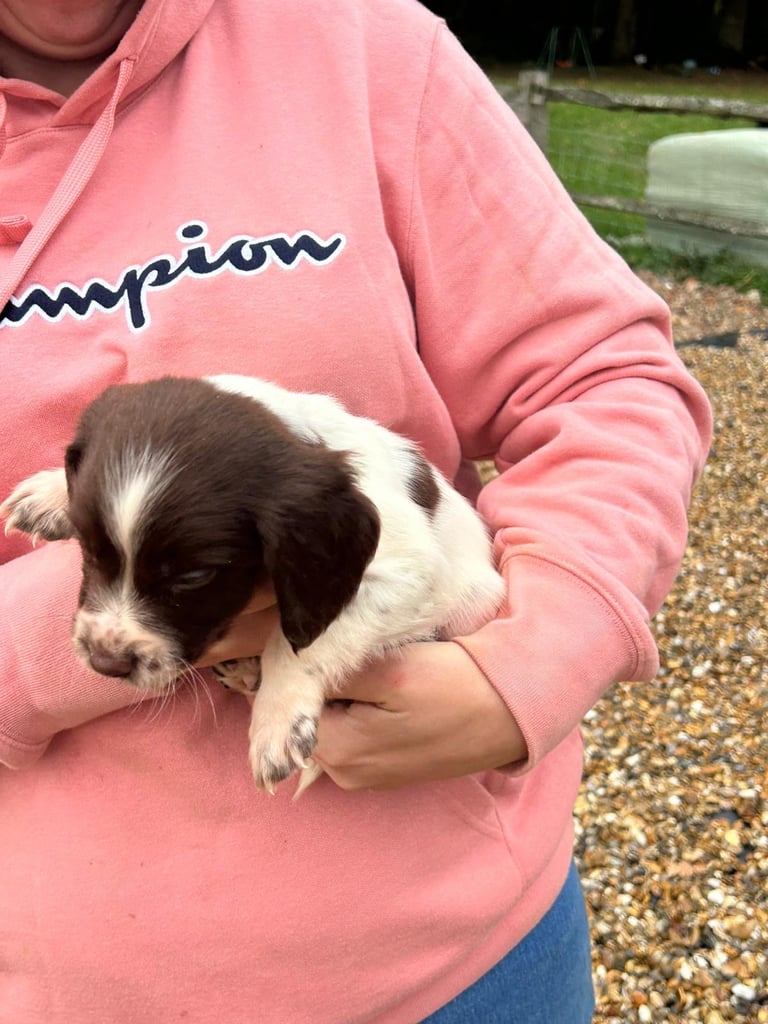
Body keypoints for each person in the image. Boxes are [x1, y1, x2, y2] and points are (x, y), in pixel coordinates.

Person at [0, 2, 711, 1022]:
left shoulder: (361, 40)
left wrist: (532, 659)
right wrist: (53, 641)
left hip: (465, 965)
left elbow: (607, 376)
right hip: (66, 985)